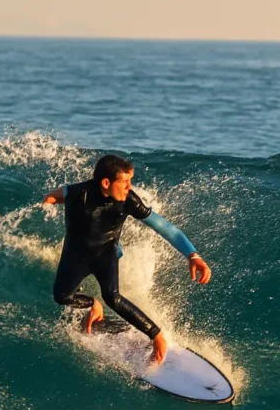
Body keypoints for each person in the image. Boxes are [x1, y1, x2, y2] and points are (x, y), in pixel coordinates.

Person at [43, 154, 211, 364]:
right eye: (124, 182)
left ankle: (156, 335)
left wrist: (193, 255)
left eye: (130, 181)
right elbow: (55, 195)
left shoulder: (129, 201)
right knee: (62, 297)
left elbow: (165, 227)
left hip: (106, 253)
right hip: (76, 254)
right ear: (106, 183)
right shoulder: (78, 192)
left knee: (112, 297)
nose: (129, 187)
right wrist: (49, 201)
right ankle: (93, 304)